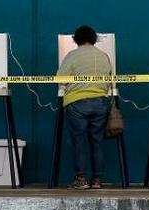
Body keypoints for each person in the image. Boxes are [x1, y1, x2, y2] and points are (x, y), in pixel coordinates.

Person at [57, 25, 112, 190]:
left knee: (79, 140)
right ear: (94, 39)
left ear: (76, 39)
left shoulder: (72, 55)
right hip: (101, 102)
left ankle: (81, 179)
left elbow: (61, 78)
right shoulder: (104, 56)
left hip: (77, 102)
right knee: (97, 141)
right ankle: (97, 180)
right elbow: (110, 80)